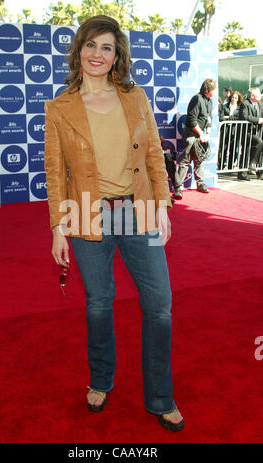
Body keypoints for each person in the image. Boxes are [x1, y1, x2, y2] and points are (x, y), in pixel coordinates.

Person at [44, 15, 184, 432]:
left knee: (160, 305)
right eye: (91, 45)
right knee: (99, 301)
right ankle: (101, 379)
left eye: (107, 47)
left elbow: (156, 155)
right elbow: (55, 171)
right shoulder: (59, 106)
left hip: (139, 210)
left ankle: (160, 396)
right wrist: (57, 228)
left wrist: (163, 206)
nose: (97, 54)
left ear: (116, 54)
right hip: (85, 212)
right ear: (78, 51)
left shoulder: (135, 96)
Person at [173, 79, 217, 200]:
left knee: (199, 159)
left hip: (201, 134)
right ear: (209, 90)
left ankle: (201, 184)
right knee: (186, 160)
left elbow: (209, 118)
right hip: (191, 134)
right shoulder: (197, 99)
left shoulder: (209, 101)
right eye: (214, 89)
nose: (216, 91)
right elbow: (191, 119)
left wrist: (207, 133)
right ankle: (177, 188)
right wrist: (201, 133)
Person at [238, 87, 263, 181]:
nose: (260, 95)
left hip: (258, 131)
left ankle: (258, 171)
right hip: (246, 132)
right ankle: (245, 169)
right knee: (246, 150)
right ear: (252, 96)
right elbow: (244, 116)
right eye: (259, 93)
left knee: (259, 145)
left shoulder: (260, 104)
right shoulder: (245, 104)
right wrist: (258, 120)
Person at [218, 91, 243, 170]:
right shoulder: (224, 106)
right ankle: (221, 165)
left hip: (235, 130)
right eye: (232, 97)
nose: (234, 99)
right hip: (225, 130)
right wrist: (230, 118)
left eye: (236, 98)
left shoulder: (240, 108)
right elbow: (221, 117)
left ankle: (230, 166)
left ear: (238, 99)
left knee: (233, 148)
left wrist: (227, 117)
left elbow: (238, 118)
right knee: (223, 148)